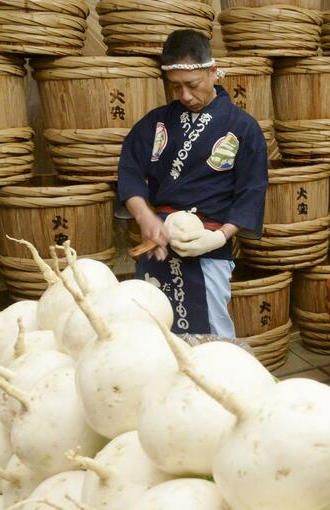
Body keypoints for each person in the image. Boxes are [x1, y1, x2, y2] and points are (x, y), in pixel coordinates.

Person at [117, 29, 268, 337]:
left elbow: (252, 189)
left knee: (211, 333)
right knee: (154, 327)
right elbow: (130, 168)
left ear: (213, 72)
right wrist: (144, 216)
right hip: (158, 241)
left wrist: (221, 236)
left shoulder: (242, 127)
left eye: (192, 84)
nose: (185, 96)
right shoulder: (156, 122)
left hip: (208, 243)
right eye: (175, 87)